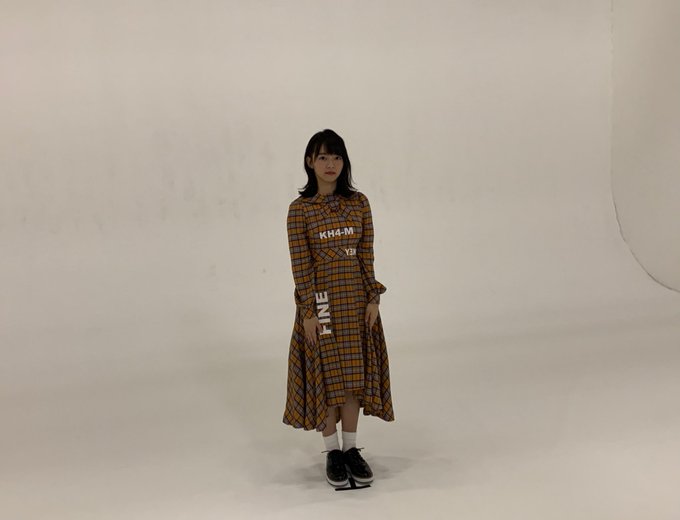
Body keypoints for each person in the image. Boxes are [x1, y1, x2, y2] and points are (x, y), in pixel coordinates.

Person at [283, 129, 395, 488]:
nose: (330, 164)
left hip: (356, 300)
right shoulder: (300, 210)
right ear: (309, 162)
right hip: (322, 302)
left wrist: (373, 297)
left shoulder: (358, 203)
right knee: (328, 376)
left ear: (344, 162)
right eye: (322, 157)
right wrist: (308, 311)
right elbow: (300, 265)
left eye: (336, 157)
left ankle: (350, 449)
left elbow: (366, 253)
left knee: (352, 376)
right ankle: (332, 452)